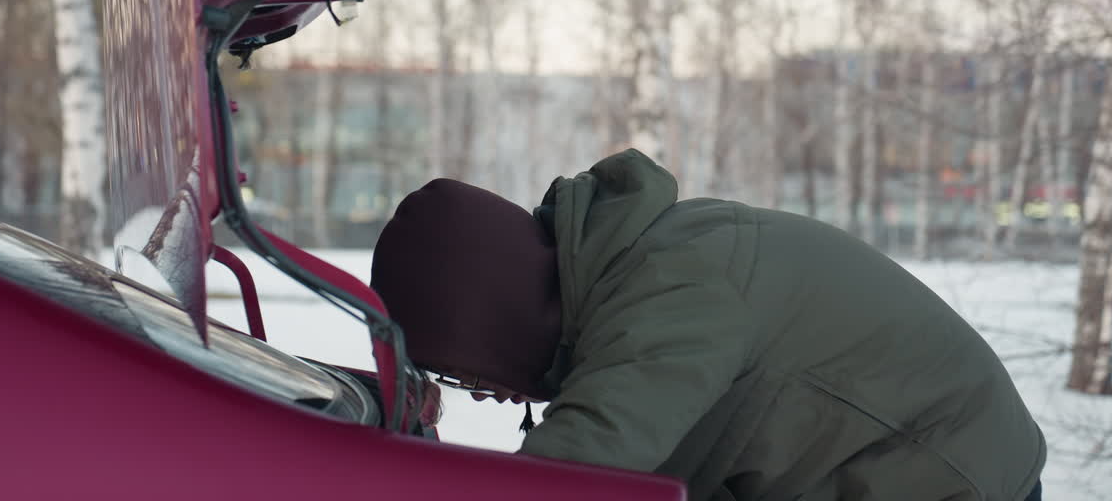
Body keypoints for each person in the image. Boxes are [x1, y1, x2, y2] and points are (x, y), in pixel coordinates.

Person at [370, 149, 1046, 501]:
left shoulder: (669, 290)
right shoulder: (634, 263)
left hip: (952, 483)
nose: (480, 393)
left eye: (461, 369)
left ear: (491, 314)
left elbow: (586, 463)